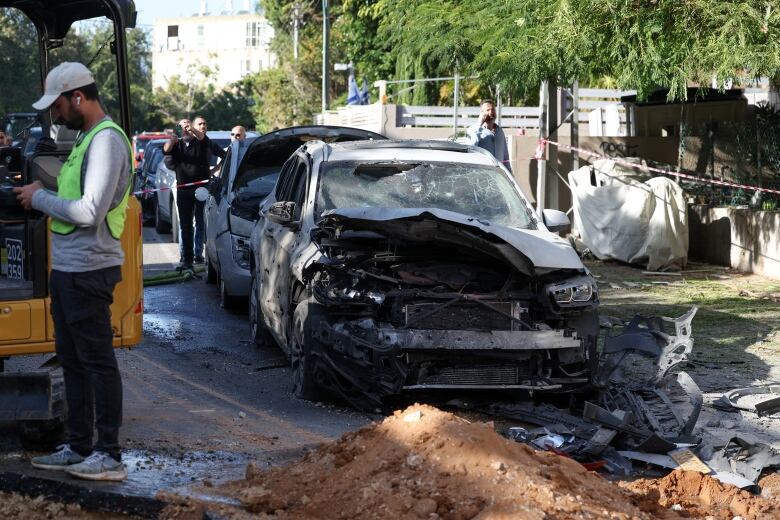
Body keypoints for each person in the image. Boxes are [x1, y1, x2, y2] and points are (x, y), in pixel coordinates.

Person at [13, 62, 132, 481]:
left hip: (89, 270)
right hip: (68, 270)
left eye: (59, 106)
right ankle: (80, 447)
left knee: (97, 362)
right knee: (74, 362)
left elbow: (88, 211)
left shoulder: (106, 142)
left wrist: (40, 198)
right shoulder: (85, 140)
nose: (55, 115)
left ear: (78, 97)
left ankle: (110, 455)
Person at [163, 116, 225, 269]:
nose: (185, 130)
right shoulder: (177, 145)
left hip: (201, 189)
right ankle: (187, 259)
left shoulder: (201, 142)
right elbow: (166, 150)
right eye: (181, 127)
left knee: (201, 222)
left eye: (187, 126)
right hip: (183, 190)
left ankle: (200, 254)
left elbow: (204, 138)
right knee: (185, 225)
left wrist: (213, 171)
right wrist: (172, 138)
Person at [466, 99, 511, 171]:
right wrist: (479, 125)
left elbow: (505, 156)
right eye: (488, 110)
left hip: (498, 174)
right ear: (482, 113)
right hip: (482, 173)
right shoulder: (473, 129)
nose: (491, 112)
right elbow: (470, 148)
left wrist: (510, 175)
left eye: (493, 109)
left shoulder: (500, 131)